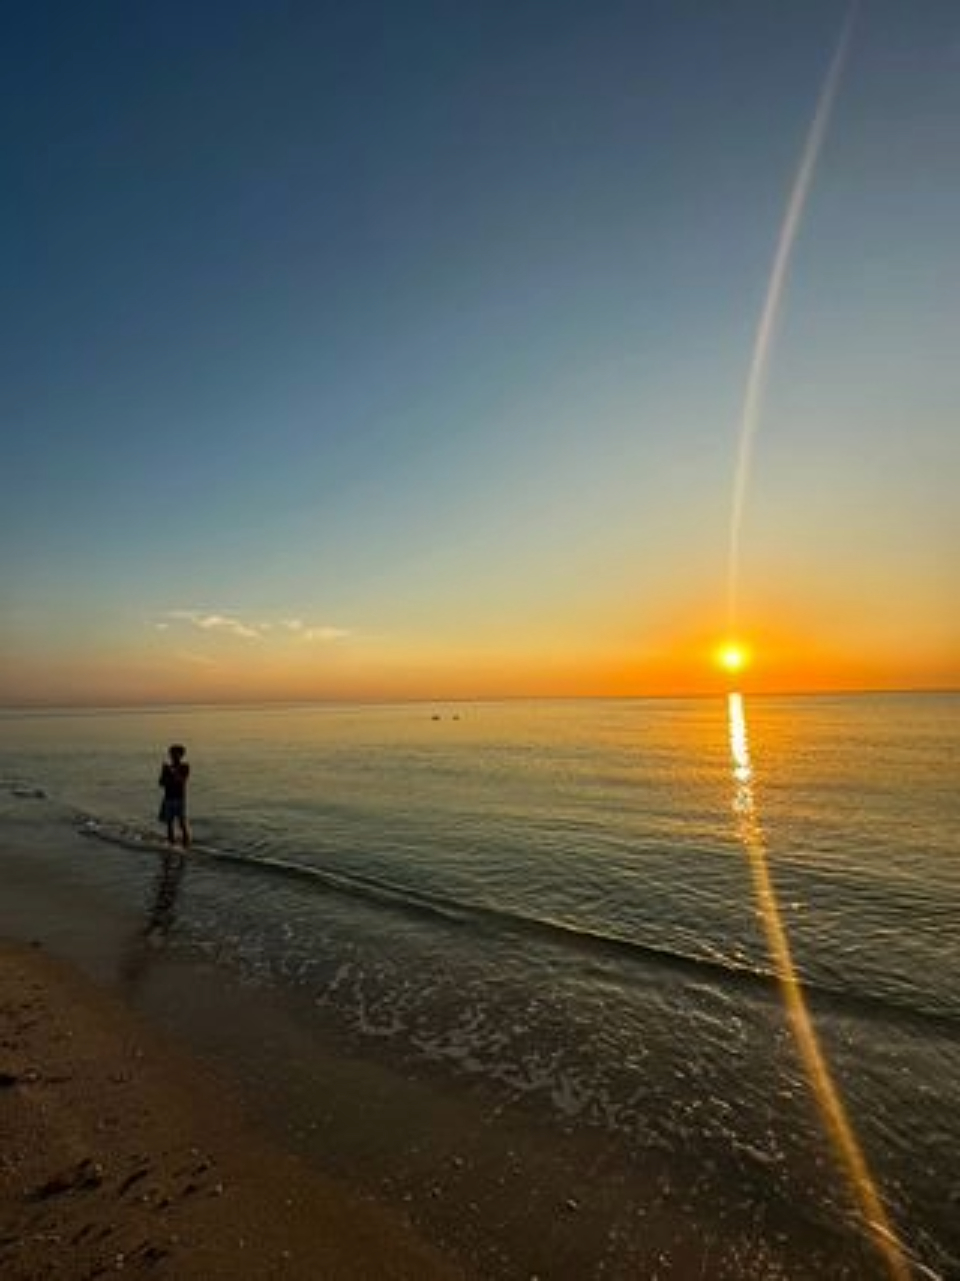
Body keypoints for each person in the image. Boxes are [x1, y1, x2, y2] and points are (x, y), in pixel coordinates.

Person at [158, 743, 191, 848]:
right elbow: (161, 783)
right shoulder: (167, 768)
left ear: (181, 755)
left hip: (179, 799)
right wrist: (166, 773)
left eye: (175, 754)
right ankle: (171, 845)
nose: (172, 756)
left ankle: (186, 846)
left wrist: (172, 771)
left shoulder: (184, 766)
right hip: (168, 798)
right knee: (169, 824)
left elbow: (181, 780)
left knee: (182, 824)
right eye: (171, 754)